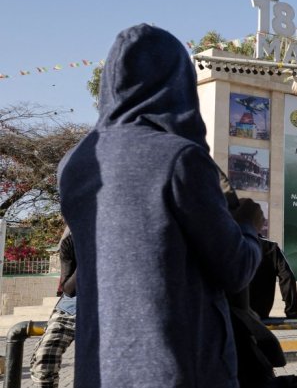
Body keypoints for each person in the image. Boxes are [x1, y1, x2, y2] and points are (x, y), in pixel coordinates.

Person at [59, 24, 264, 388]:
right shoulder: (181, 158)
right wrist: (248, 223)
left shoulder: (74, 165)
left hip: (99, 370)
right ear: (179, 84)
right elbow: (234, 268)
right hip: (179, 367)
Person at [29, 230, 77, 388]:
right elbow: (68, 289)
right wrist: (88, 257)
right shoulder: (70, 242)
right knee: (44, 358)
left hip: (112, 305)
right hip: (73, 306)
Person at [248, 237, 297, 320]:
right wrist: (292, 311)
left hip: (230, 312)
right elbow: (287, 277)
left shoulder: (229, 243)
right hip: (259, 311)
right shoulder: (270, 246)